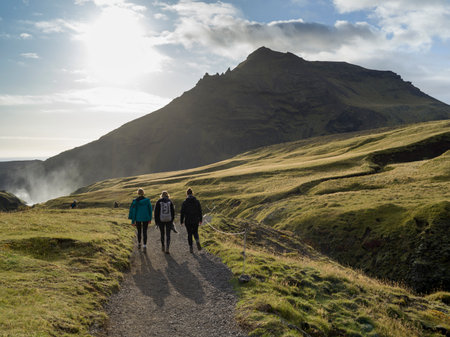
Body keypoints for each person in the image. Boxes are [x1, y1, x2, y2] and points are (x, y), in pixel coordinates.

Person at [180, 188, 203, 253]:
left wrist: (181, 221)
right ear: (192, 193)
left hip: (188, 220)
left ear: (187, 194)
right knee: (195, 232)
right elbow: (200, 211)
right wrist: (200, 219)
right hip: (195, 219)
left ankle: (191, 247)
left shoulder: (185, 202)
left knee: (189, 233)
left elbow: (182, 212)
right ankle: (197, 241)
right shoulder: (197, 201)